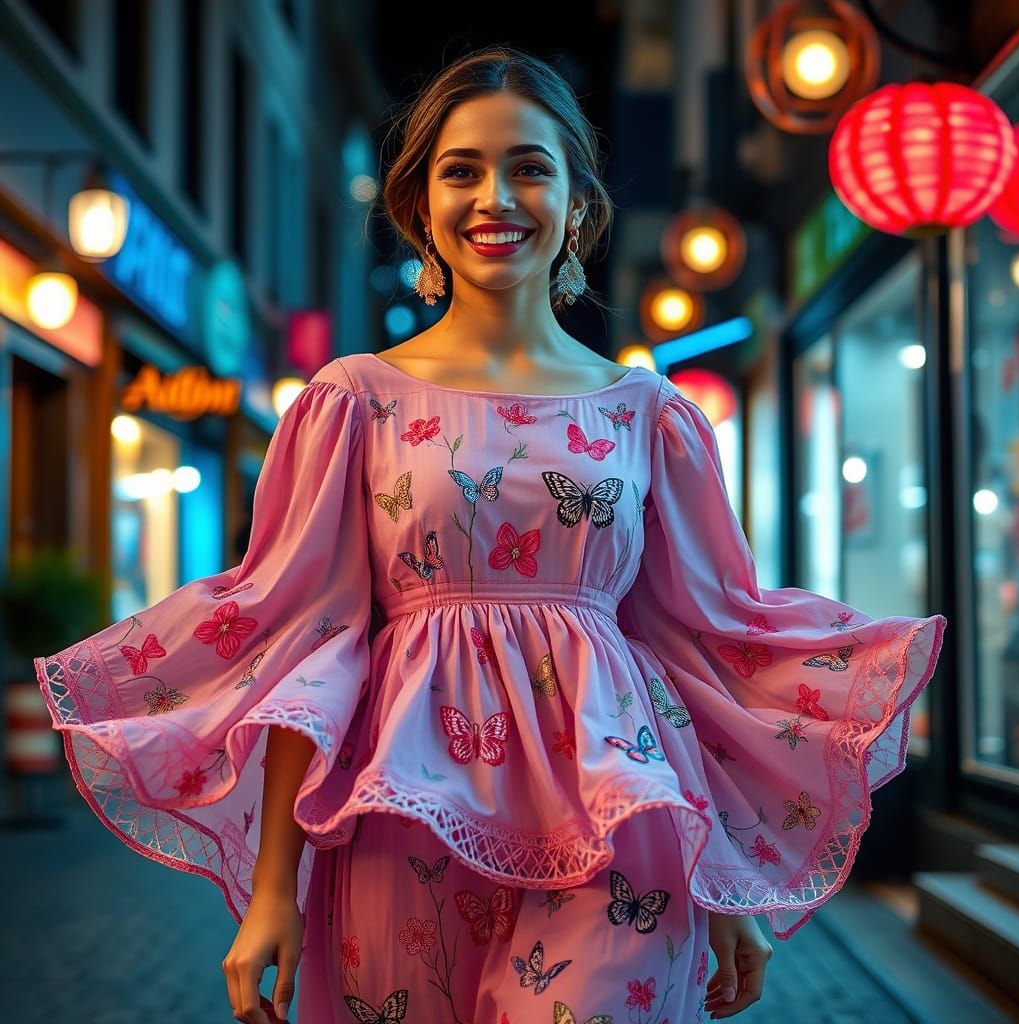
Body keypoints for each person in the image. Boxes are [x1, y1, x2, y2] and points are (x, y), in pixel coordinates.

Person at [33, 45, 947, 1024]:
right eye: (461, 170)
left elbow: (692, 646)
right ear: (419, 206)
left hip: (620, 815)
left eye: (529, 168)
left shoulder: (649, 413)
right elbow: (310, 638)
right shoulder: (354, 400)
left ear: (577, 203)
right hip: (400, 814)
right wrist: (272, 891)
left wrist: (725, 882)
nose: (494, 197)